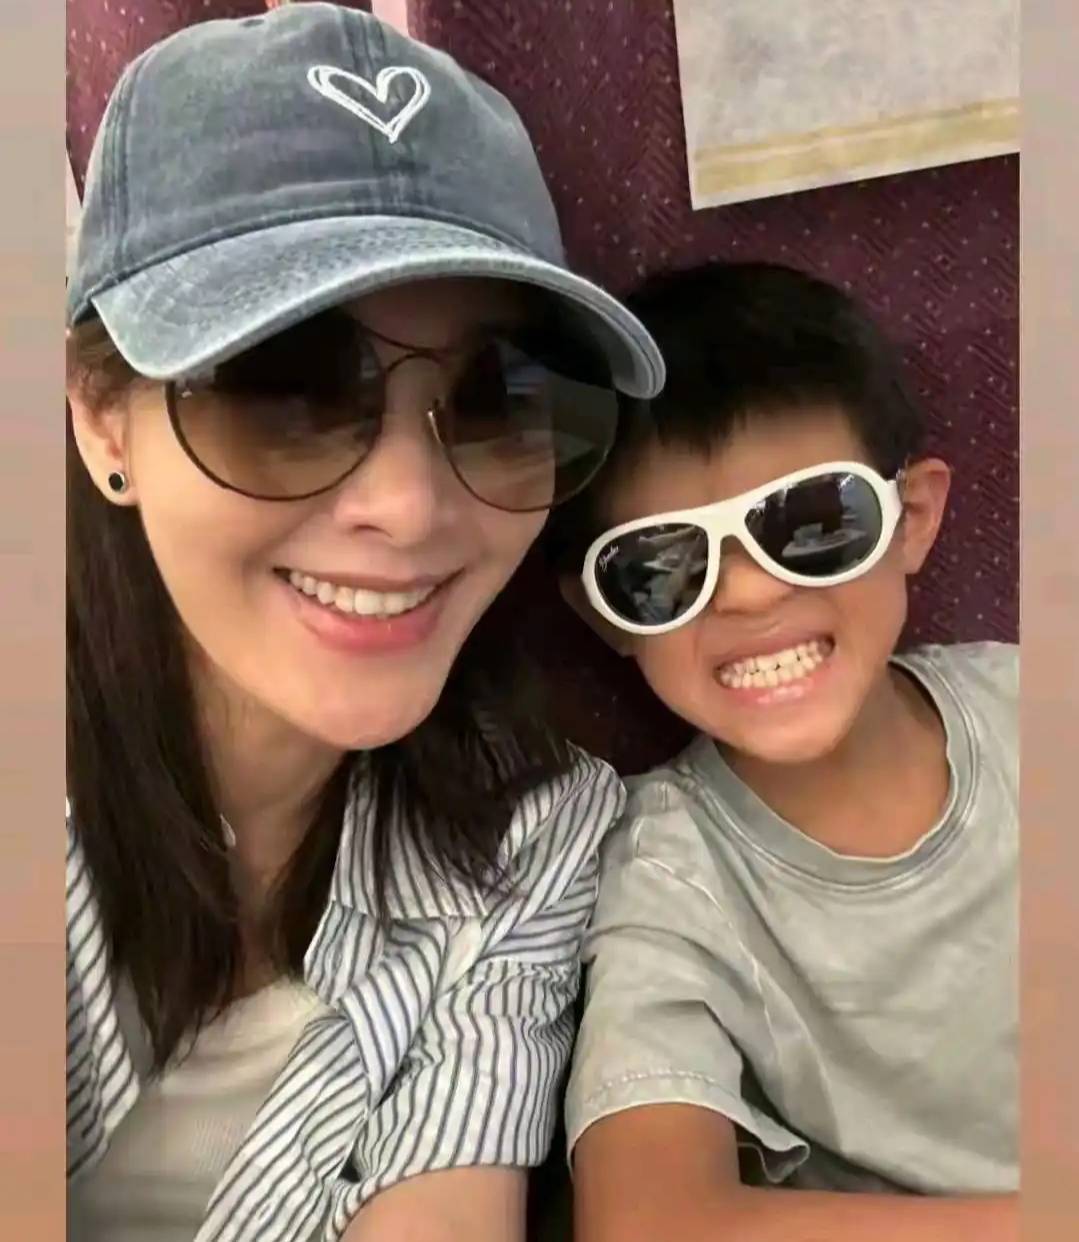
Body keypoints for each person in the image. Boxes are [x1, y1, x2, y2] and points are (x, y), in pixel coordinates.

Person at [64, 7, 665, 1242]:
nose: (407, 506)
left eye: (501, 399)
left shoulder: (535, 835)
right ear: (102, 418)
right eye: (282, 388)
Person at [551, 262, 1018, 1241]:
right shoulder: (667, 878)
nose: (750, 593)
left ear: (910, 521)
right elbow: (645, 1222)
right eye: (660, 567)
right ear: (602, 616)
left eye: (810, 524)